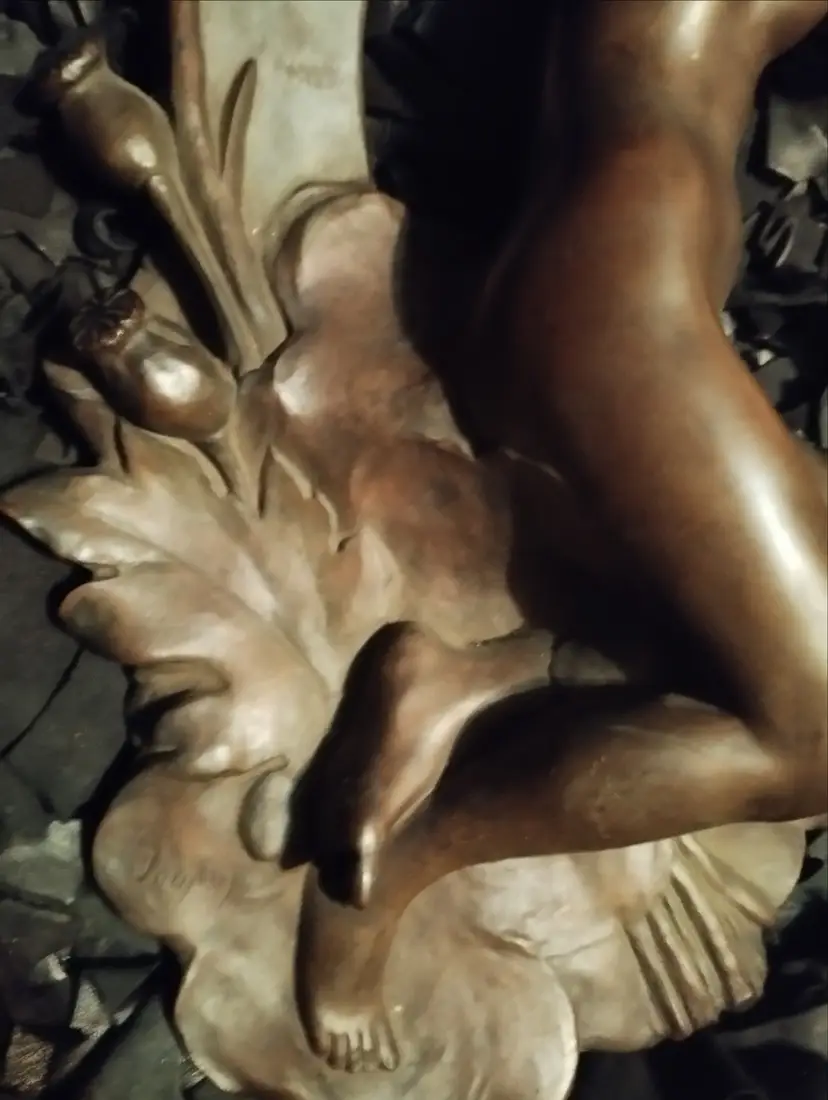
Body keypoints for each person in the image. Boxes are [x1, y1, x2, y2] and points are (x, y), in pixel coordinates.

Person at [297, 0, 828, 1072]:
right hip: (623, 307)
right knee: (816, 731)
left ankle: (466, 682)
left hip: (626, 274)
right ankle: (397, 870)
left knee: (744, 651)